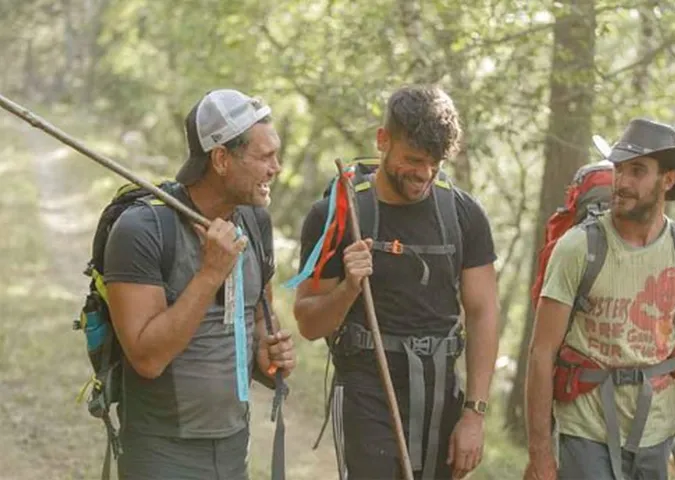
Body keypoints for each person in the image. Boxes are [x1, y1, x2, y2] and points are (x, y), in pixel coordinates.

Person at [292, 84, 500, 480]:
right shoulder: (337, 214)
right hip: (366, 392)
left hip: (442, 395)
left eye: (434, 163)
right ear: (382, 140)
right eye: (413, 159)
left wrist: (474, 414)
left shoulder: (464, 214)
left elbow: (483, 312)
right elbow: (307, 322)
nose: (424, 173)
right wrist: (348, 287)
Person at [102, 88, 296, 480]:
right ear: (221, 158)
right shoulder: (142, 229)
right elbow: (146, 358)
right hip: (161, 454)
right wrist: (210, 273)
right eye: (263, 157)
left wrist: (269, 356)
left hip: (233, 447)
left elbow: (259, 320)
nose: (276, 168)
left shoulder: (255, 223)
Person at [524, 118, 675, 480]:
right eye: (618, 169)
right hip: (585, 430)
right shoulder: (579, 248)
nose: (622, 182)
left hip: (656, 433)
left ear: (668, 179)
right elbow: (541, 353)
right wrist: (540, 454)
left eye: (637, 171)